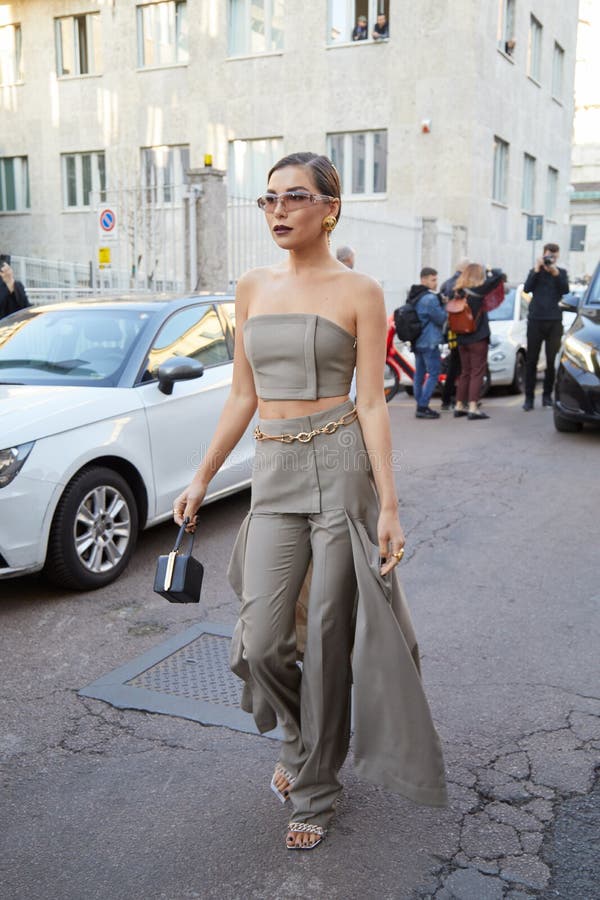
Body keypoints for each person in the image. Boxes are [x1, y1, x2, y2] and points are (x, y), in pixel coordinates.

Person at [173, 152, 446, 851]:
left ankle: (317, 788)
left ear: (330, 206)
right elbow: (242, 392)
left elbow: (374, 403)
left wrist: (389, 504)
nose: (277, 211)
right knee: (264, 639)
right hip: (274, 467)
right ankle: (302, 743)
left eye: (293, 197)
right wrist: (202, 477)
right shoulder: (252, 286)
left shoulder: (359, 290)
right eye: (266, 200)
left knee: (326, 636)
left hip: (338, 463)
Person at [452, 264, 503, 420]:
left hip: (461, 337)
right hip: (478, 337)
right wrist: (489, 269)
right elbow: (498, 275)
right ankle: (473, 407)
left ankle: (459, 405)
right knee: (477, 372)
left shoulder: (458, 292)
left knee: (465, 372)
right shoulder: (479, 291)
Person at [522, 243, 569, 411]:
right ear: (543, 255)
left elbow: (565, 290)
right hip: (535, 321)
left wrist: (555, 273)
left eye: (554, 256)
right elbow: (527, 289)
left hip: (554, 321)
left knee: (551, 361)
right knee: (531, 361)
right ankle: (528, 398)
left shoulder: (560, 273)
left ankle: (547, 396)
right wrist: (537, 269)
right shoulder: (535, 272)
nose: (551, 259)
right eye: (549, 256)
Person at [407, 267, 446, 419]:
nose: (436, 283)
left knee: (419, 374)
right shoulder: (430, 299)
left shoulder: (415, 296)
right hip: (429, 342)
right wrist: (443, 304)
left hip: (417, 341)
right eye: (433, 279)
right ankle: (422, 406)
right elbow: (441, 318)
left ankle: (420, 404)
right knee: (434, 373)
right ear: (424, 280)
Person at [439, 259, 470, 410]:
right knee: (459, 365)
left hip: (451, 329)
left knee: (455, 363)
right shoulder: (462, 283)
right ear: (465, 268)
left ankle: (450, 398)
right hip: (462, 329)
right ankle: (453, 399)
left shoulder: (446, 283)